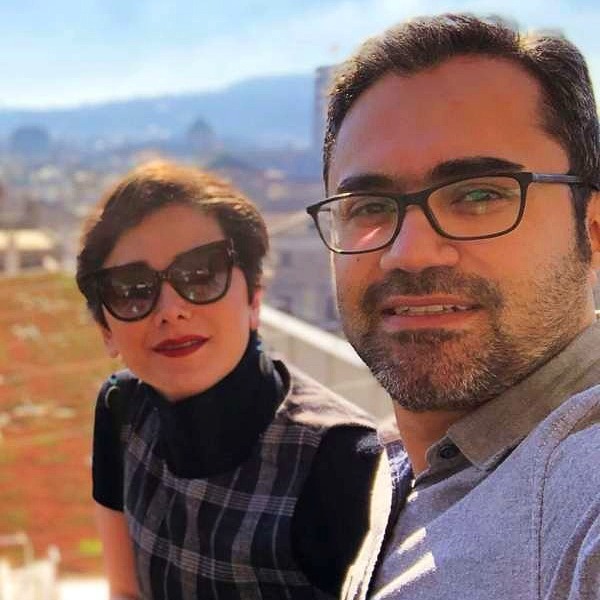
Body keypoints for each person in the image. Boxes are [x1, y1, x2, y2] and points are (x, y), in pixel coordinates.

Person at [306, 13, 600, 600]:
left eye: (479, 195)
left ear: (591, 231)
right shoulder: (404, 462)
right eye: (369, 206)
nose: (409, 253)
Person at [76, 160, 383, 600]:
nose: (171, 310)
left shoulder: (343, 462)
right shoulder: (121, 409)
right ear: (106, 329)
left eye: (202, 275)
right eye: (132, 289)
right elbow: (126, 591)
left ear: (254, 298)